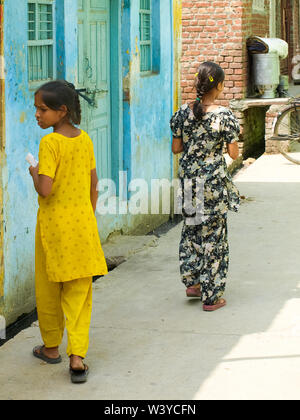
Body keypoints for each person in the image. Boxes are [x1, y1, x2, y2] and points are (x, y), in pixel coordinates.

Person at [29, 80, 108, 383]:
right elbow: (94, 184)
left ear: (62, 111)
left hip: (53, 229)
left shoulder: (50, 143)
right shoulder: (85, 139)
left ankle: (51, 348)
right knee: (79, 294)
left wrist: (35, 174)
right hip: (82, 227)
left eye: (43, 109)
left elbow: (46, 190)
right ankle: (77, 356)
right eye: (37, 109)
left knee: (49, 289)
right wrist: (88, 216)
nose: (38, 114)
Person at [170, 61, 240, 311]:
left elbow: (176, 148)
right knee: (214, 236)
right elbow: (234, 154)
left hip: (189, 178)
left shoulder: (181, 113)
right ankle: (212, 296)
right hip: (213, 183)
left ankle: (193, 283)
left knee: (191, 229)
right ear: (219, 86)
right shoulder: (224, 116)